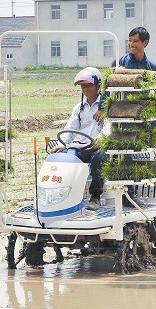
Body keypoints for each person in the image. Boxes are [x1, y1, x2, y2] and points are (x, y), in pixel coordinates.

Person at [108, 26, 156, 178]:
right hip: (126, 116)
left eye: (135, 41)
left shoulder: (152, 67)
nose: (131, 44)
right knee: (126, 146)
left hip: (145, 115)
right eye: (130, 41)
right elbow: (107, 90)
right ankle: (127, 180)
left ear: (145, 43)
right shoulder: (119, 64)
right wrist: (101, 109)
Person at [51, 67, 107, 211]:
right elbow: (71, 128)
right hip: (81, 145)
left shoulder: (106, 106)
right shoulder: (79, 108)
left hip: (98, 146)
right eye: (83, 86)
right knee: (67, 158)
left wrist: (101, 138)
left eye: (89, 85)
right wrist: (61, 144)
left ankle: (95, 196)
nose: (86, 89)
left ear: (98, 86)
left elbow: (110, 126)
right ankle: (63, 197)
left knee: (99, 158)